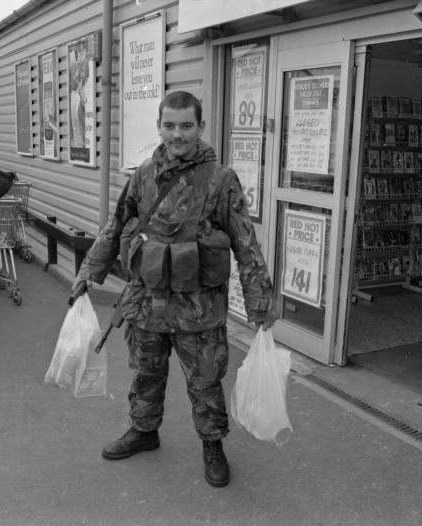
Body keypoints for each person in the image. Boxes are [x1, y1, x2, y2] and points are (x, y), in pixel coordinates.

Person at [71, 91, 276, 488]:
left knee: (205, 381)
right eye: (169, 125)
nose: (177, 134)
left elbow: (245, 244)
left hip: (199, 309)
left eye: (186, 125)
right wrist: (88, 272)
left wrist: (260, 304)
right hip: (147, 302)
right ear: (159, 127)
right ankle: (144, 431)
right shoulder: (143, 174)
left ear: (200, 127)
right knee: (145, 373)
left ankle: (212, 444)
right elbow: (115, 227)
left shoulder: (221, 180)